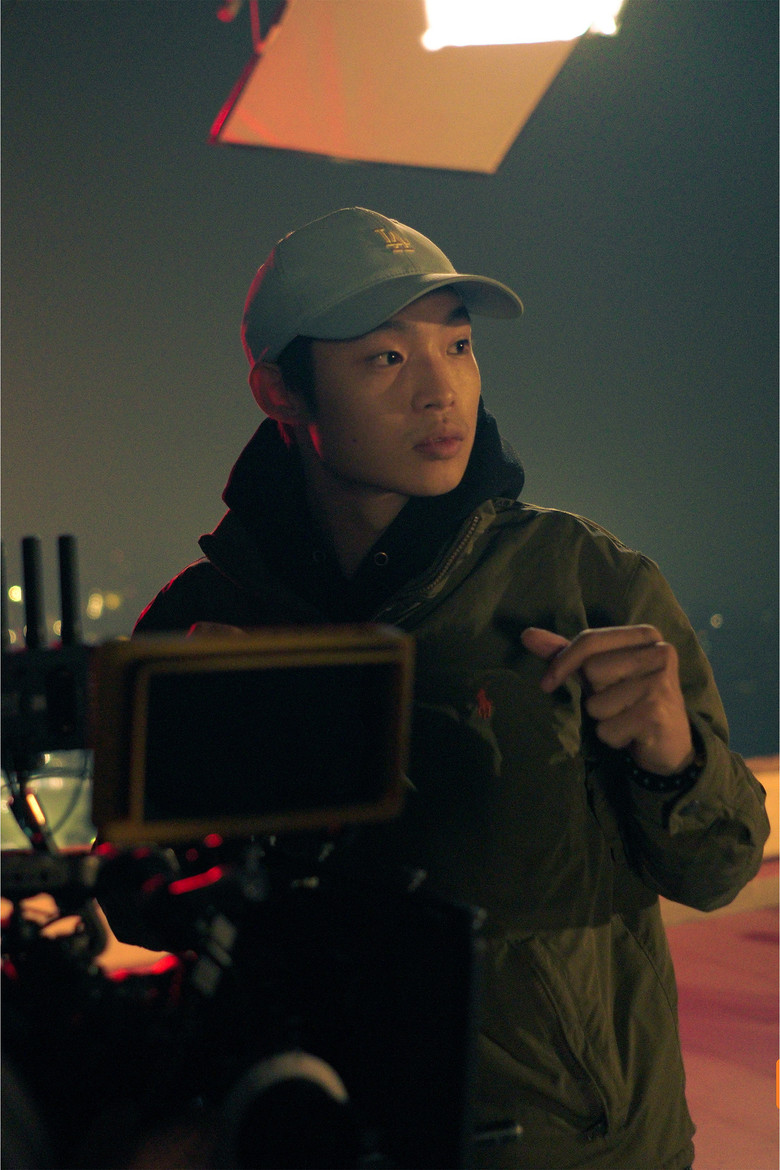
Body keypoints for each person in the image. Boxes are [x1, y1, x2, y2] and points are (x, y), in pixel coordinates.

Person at [134, 206, 769, 1169]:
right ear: (281, 390)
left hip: (576, 1151)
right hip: (312, 1137)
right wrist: (212, 786)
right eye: (386, 358)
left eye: (459, 347)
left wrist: (673, 757)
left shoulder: (582, 578)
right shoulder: (207, 620)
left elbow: (719, 869)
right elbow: (139, 912)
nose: (442, 392)